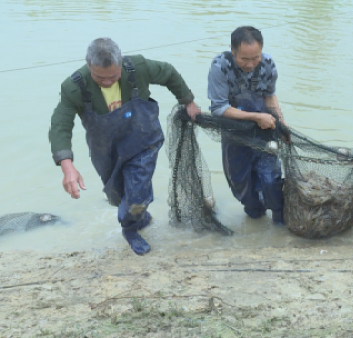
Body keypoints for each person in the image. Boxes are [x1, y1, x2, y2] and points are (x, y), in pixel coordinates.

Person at [49, 38, 201, 255]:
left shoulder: (138, 67)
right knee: (120, 194)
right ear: (88, 64)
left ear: (120, 62)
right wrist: (67, 166)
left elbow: (168, 73)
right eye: (100, 77)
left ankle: (129, 229)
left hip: (144, 141)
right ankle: (140, 217)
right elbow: (60, 124)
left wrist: (188, 101)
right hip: (107, 151)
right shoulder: (73, 86)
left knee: (136, 194)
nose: (108, 82)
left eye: (113, 75)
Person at [207, 26, 287, 225]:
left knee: (271, 179)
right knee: (241, 183)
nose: (250, 64)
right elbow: (219, 108)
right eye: (244, 59)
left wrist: (281, 122)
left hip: (264, 132)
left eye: (255, 58)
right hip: (234, 134)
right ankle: (255, 218)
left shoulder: (267, 64)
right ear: (232, 50)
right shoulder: (220, 66)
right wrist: (255, 117)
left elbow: (270, 97)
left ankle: (279, 221)